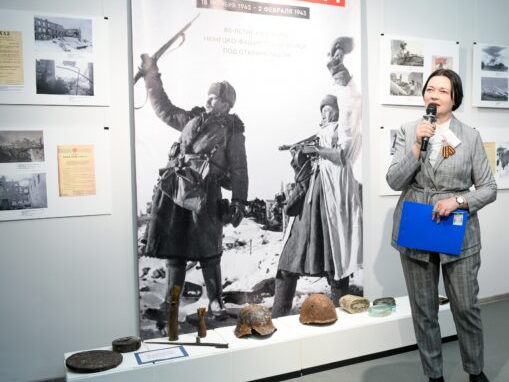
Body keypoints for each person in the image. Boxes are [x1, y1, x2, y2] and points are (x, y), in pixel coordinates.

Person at [386, 69, 497, 382]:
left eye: (442, 91)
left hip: (457, 229)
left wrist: (458, 200)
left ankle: (475, 371)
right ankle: (434, 377)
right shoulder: (409, 131)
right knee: (424, 309)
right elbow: (394, 180)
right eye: (430, 89)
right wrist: (416, 147)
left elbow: (489, 188)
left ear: (454, 98)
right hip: (417, 227)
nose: (434, 95)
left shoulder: (470, 136)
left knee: (466, 306)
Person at [138, 53, 248, 320]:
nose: (208, 101)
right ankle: (171, 306)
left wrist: (238, 201)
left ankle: (216, 303)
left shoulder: (233, 131)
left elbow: (239, 169)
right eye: (208, 97)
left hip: (206, 194)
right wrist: (151, 76)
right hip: (176, 189)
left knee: (209, 251)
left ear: (226, 104)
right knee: (174, 251)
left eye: (215, 98)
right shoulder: (192, 118)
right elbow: (164, 109)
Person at [271, 92, 363, 317]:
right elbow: (302, 174)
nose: (324, 114)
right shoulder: (318, 134)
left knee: (335, 263)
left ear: (338, 112)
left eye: (328, 109)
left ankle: (342, 316)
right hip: (308, 203)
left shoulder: (344, 131)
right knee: (288, 260)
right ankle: (278, 316)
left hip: (330, 203)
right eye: (322, 110)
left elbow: (343, 156)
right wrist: (299, 157)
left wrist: (318, 150)